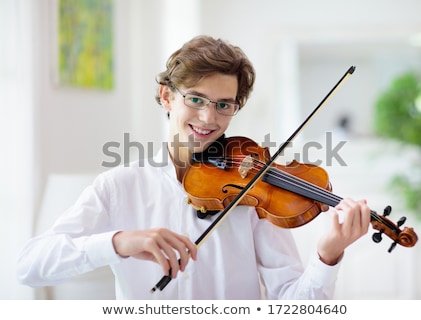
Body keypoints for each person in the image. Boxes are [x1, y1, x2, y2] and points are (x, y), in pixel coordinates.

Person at [16, 35, 370, 299]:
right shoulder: (119, 185)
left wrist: (327, 254)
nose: (208, 118)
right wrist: (119, 241)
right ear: (167, 96)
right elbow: (30, 266)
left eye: (223, 105)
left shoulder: (254, 191)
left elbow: (295, 304)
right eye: (196, 99)